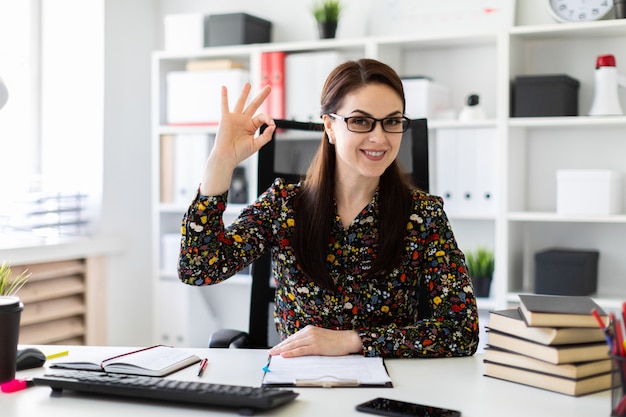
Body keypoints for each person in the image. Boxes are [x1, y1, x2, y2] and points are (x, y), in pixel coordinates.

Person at [178, 58, 479, 359]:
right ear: (330, 127)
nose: (380, 137)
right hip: (298, 385)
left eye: (392, 121)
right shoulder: (285, 205)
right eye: (360, 121)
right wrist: (221, 161)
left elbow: (462, 331)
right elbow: (197, 268)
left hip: (389, 388)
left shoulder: (423, 215)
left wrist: (353, 341)